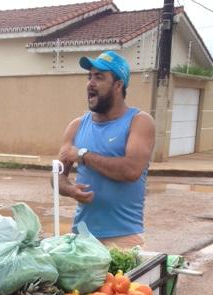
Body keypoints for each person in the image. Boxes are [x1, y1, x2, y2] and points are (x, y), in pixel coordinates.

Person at [57, 51, 156, 249]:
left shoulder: (139, 122)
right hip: (81, 236)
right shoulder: (76, 126)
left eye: (99, 77)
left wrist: (83, 155)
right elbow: (56, 174)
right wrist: (69, 189)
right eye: (89, 77)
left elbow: (131, 170)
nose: (90, 83)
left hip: (123, 240)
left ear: (118, 86)